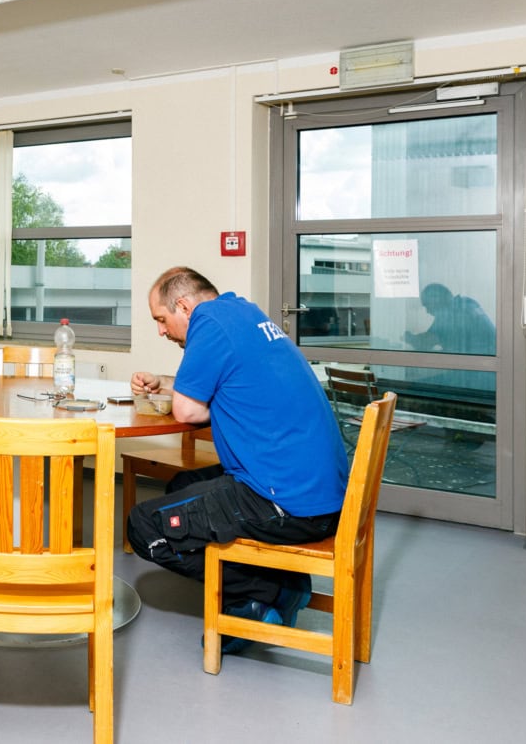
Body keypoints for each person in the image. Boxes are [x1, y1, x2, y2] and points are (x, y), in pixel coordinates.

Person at [126, 266, 349, 653]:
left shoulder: (208, 323)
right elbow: (222, 383)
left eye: (161, 319)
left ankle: (264, 593)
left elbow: (187, 412)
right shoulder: (242, 313)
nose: (161, 331)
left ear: (184, 306)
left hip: (286, 503)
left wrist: (181, 396)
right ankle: (278, 586)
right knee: (182, 485)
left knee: (143, 526)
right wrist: (166, 382)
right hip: (316, 493)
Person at [404, 283, 496, 355]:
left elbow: (426, 343)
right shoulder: (466, 302)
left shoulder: (450, 313)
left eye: (427, 305)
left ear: (436, 300)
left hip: (478, 366)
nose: (427, 311)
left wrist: (410, 338)